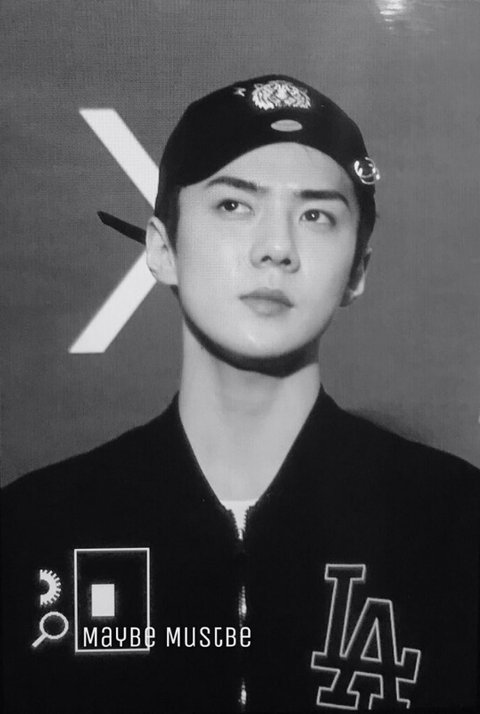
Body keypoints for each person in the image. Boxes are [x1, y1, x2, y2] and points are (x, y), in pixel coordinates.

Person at [2, 75, 480, 713]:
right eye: (233, 205)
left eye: (316, 215)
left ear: (357, 271)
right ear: (162, 248)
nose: (277, 248)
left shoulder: (456, 524)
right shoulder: (31, 528)